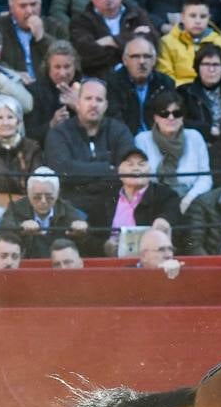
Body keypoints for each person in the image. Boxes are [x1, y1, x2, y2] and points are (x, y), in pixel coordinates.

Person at [44, 77, 136, 205]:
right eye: (88, 98)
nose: (93, 104)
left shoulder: (119, 130)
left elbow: (129, 169)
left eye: (99, 99)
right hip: (72, 206)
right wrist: (107, 168)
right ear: (77, 103)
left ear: (106, 105)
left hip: (113, 202)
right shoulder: (59, 132)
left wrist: (80, 170)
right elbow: (62, 171)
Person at [88, 146, 182, 252]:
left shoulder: (166, 195)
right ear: (119, 172)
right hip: (113, 261)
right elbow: (91, 236)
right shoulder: (104, 198)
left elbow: (172, 214)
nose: (136, 168)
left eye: (141, 164)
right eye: (130, 164)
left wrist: (164, 220)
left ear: (149, 170)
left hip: (151, 260)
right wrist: (104, 246)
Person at [136, 88, 212, 208]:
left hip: (191, 200)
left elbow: (205, 178)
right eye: (164, 114)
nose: (171, 118)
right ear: (155, 117)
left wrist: (189, 198)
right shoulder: (142, 140)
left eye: (176, 113)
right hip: (155, 201)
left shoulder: (195, 137)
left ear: (182, 117)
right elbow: (141, 179)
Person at [0, 166, 92, 257]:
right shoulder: (17, 207)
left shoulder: (65, 207)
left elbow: (80, 225)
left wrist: (81, 228)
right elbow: (3, 229)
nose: (43, 201)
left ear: (57, 193)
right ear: (28, 194)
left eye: (49, 196)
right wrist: (21, 228)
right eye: (37, 197)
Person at [0, 0, 69, 85]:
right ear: (11, 8)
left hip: (50, 87)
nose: (30, 11)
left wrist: (42, 37)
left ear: (40, 5)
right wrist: (13, 74)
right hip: (12, 87)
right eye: (23, 6)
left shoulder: (56, 27)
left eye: (33, 5)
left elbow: (67, 61)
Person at [69, 0, 155, 78]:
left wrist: (110, 41)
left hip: (137, 79)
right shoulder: (80, 21)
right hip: (99, 82)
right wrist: (132, 38)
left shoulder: (137, 14)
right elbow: (86, 54)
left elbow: (152, 44)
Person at [107, 35, 176, 136]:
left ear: (154, 60)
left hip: (160, 142)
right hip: (125, 143)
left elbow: (171, 120)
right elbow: (115, 124)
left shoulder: (166, 83)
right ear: (125, 60)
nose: (142, 61)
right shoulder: (113, 84)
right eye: (135, 56)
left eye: (147, 56)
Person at [180, 42, 221, 142]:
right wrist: (209, 130)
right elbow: (180, 121)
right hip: (201, 143)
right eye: (206, 64)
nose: (211, 69)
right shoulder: (184, 92)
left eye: (216, 65)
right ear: (198, 67)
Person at [157, 0, 221, 85]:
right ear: (182, 17)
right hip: (179, 94)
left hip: (212, 93)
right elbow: (166, 78)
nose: (198, 21)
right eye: (192, 16)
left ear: (209, 18)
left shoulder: (219, 42)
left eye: (203, 16)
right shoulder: (167, 42)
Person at [27, 40, 81, 145]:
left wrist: (79, 107)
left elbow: (99, 127)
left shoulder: (86, 88)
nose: (62, 73)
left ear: (75, 66)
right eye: (57, 67)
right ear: (48, 67)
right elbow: (29, 134)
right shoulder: (34, 91)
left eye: (67, 67)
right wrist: (52, 124)